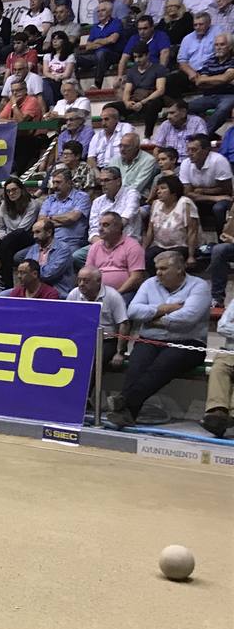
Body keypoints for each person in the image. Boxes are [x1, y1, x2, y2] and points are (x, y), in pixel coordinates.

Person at [109, 252, 209, 428]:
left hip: (188, 343)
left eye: (163, 268)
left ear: (179, 269)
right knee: (136, 366)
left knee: (161, 366)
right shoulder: (150, 284)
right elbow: (133, 311)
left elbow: (189, 317)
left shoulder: (199, 286)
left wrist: (154, 318)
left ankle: (124, 402)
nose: (158, 273)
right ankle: (127, 413)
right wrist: (165, 308)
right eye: (157, 269)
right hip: (151, 339)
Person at [67, 265, 129, 369]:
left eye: (86, 281)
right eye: (79, 280)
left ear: (98, 281)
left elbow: (124, 324)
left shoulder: (113, 296)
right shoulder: (74, 294)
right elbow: (67, 320)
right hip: (81, 338)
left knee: (91, 365)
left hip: (106, 340)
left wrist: (120, 352)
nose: (81, 284)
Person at [143, 174, 199, 272]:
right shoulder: (156, 204)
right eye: (158, 189)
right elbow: (150, 231)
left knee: (171, 259)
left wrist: (191, 256)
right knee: (147, 256)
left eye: (163, 188)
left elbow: (192, 232)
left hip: (181, 246)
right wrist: (142, 249)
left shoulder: (185, 204)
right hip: (160, 246)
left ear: (174, 190)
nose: (158, 191)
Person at [180, 133, 232, 232]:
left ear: (206, 150)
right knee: (183, 203)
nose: (190, 153)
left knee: (219, 208)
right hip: (213, 197)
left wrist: (201, 191)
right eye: (188, 150)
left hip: (222, 199)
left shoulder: (218, 161)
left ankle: (221, 240)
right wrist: (213, 197)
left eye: (194, 150)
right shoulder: (186, 163)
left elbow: (227, 190)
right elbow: (187, 193)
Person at [201, 301, 234, 437]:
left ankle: (231, 416)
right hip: (229, 352)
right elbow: (222, 327)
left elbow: (229, 327)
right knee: (218, 369)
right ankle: (217, 412)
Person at [19, 218, 75, 296]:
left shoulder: (63, 249)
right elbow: (25, 269)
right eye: (33, 233)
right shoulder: (34, 248)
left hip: (57, 290)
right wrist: (32, 271)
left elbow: (49, 274)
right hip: (33, 288)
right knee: (4, 294)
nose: (34, 236)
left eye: (38, 232)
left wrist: (34, 270)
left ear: (49, 232)